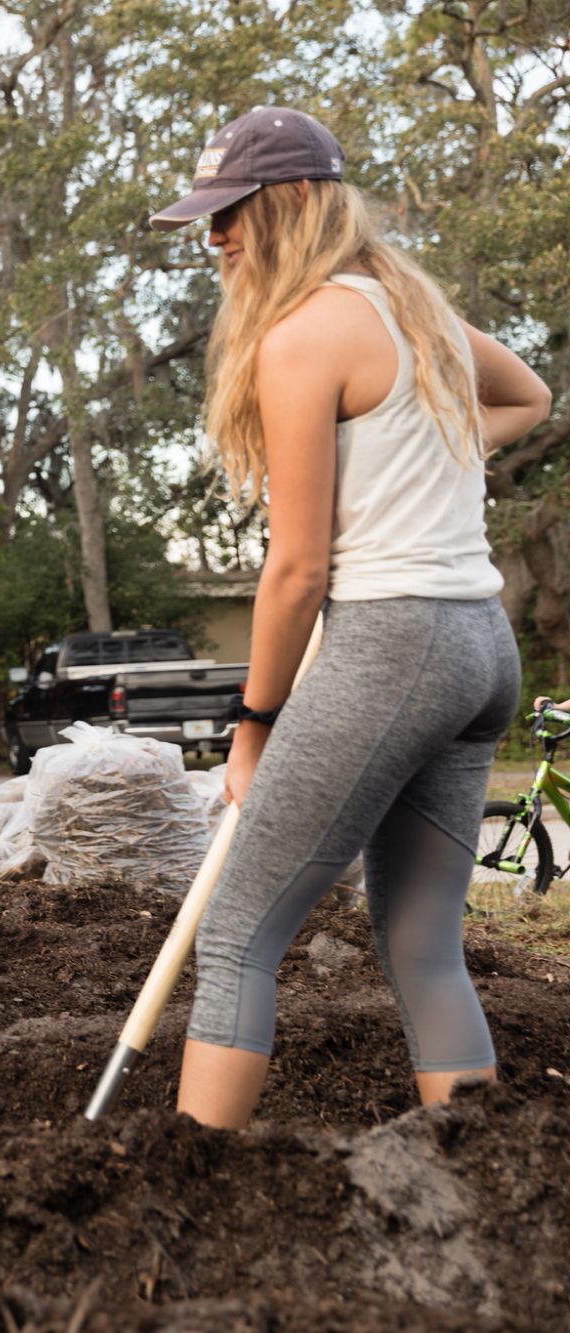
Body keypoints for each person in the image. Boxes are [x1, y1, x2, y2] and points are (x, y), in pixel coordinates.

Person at [148, 107, 553, 1128]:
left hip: (392, 644)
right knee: (420, 941)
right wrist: (429, 460)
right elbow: (528, 397)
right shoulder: (410, 311)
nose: (212, 239)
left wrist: (253, 727)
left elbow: (291, 571)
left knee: (237, 930)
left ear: (284, 202)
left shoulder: (301, 335)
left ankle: (184, 1182)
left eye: (226, 214)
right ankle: (485, 1182)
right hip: (478, 648)